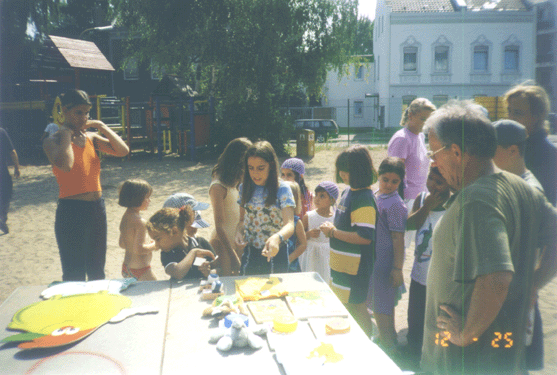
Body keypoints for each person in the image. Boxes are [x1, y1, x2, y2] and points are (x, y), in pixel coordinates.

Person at [420, 101, 557, 374]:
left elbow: (497, 278)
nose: (432, 162)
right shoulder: (519, 186)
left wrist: (465, 334)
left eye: (433, 153)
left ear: (457, 152)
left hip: (466, 360)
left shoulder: (477, 201)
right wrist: (533, 283)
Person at [43, 89, 129, 281]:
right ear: (64, 111)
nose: (84, 117)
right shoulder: (52, 141)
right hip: (71, 210)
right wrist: (66, 134)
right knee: (74, 272)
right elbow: (66, 165)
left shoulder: (91, 138)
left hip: (96, 209)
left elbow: (123, 150)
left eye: (87, 113)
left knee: (97, 269)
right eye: (79, 112)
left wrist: (101, 125)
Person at [492, 119, 545, 370]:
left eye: (492, 149)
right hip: (506, 292)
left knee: (511, 362)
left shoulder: (528, 189)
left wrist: (533, 285)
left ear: (512, 150)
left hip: (515, 295)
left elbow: (542, 245)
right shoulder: (507, 181)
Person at [320, 145, 377, 338]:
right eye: (340, 168)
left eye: (347, 169)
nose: (343, 173)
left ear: (360, 170)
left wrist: (333, 233)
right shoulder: (348, 192)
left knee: (357, 307)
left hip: (356, 268)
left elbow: (365, 237)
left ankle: (368, 345)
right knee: (347, 306)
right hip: (343, 265)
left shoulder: (364, 198)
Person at [404, 166, 450, 365]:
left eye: (439, 182)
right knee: (415, 317)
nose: (432, 185)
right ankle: (413, 352)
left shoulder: (454, 206)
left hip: (441, 279)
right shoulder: (422, 199)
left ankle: (434, 359)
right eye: (430, 179)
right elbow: (410, 224)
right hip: (419, 274)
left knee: (437, 321)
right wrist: (426, 207)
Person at [235, 141, 295, 276]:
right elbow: (241, 221)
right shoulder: (244, 188)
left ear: (271, 166)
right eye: (251, 168)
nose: (255, 173)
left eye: (260, 168)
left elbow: (290, 225)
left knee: (274, 294)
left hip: (275, 253)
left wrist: (277, 238)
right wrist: (238, 232)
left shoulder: (283, 188)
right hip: (250, 253)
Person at [366, 157, 408, 352]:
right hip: (375, 261)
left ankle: (388, 348)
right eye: (385, 179)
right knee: (382, 306)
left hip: (384, 264)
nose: (389, 185)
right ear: (378, 176)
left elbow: (398, 239)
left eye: (394, 181)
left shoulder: (394, 204)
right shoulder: (378, 195)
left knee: (381, 308)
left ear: (401, 182)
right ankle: (389, 341)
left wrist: (397, 268)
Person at [388, 98, 436, 249]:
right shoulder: (402, 139)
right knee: (399, 249)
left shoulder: (420, 136)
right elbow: (393, 174)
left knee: (424, 246)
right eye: (423, 119)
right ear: (411, 116)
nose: (426, 124)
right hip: (406, 200)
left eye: (429, 120)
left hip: (421, 198)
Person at [504, 83, 557, 206]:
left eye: (517, 113)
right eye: (509, 111)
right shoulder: (513, 145)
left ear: (537, 116)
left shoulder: (546, 153)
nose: (510, 118)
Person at [209, 137, 252, 276]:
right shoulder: (218, 186)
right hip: (224, 244)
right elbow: (219, 226)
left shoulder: (234, 180)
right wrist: (232, 255)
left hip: (237, 237)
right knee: (228, 281)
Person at [147, 206, 215, 280]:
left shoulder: (200, 243)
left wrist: (210, 273)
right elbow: (177, 273)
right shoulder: (167, 253)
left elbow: (219, 268)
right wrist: (193, 252)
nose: (156, 245)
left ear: (174, 231)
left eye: (158, 239)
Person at [300, 181, 339, 284]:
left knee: (325, 280)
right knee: (309, 281)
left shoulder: (336, 218)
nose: (317, 199)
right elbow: (298, 236)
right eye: (316, 195)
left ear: (332, 200)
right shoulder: (309, 216)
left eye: (322, 196)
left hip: (327, 255)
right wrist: (308, 235)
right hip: (311, 254)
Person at [118, 179, 158, 281]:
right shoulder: (140, 222)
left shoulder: (125, 217)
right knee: (154, 294)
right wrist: (155, 245)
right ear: (137, 198)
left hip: (127, 267)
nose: (149, 201)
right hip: (141, 269)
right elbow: (139, 249)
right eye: (147, 198)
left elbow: (122, 244)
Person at [283, 181, 307, 272]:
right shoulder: (272, 218)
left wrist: (290, 258)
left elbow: (303, 244)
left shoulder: (296, 221)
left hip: (290, 266)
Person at [0, 127, 20, 234]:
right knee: (6, 195)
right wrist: (16, 167)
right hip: (2, 172)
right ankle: (2, 217)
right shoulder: (2, 132)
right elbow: (12, 152)